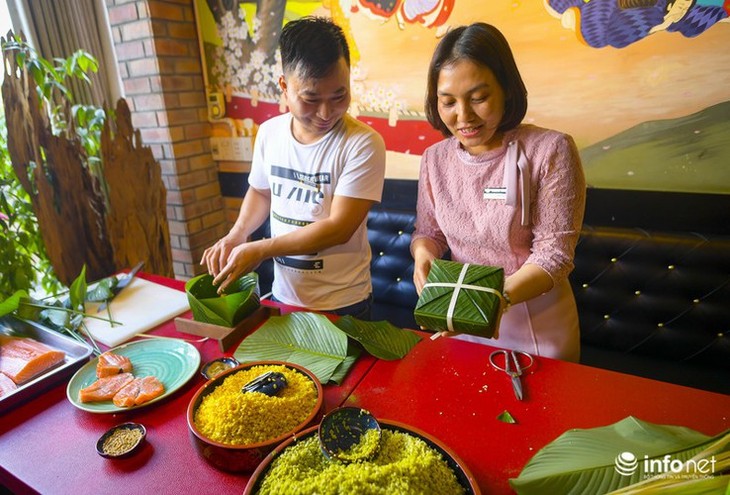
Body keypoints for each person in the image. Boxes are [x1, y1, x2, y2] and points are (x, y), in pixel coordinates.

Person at [411, 23, 586, 361]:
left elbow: (554, 255)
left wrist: (494, 300)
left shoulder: (550, 150)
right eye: (448, 102)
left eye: (479, 98)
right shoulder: (435, 159)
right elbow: (428, 232)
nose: (464, 116)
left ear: (506, 89)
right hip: (461, 320)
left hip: (536, 321)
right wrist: (423, 255)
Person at [201, 16, 386, 319]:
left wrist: (261, 249)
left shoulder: (363, 143)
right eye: (311, 98)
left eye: (339, 96)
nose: (326, 113)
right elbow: (261, 193)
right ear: (285, 87)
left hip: (343, 304)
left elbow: (338, 228)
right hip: (284, 297)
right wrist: (237, 235)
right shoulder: (270, 133)